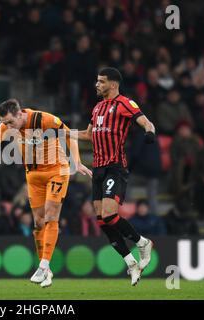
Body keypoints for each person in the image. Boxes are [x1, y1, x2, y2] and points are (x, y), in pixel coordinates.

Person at [0, 98, 91, 288]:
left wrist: (76, 162)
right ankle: (47, 270)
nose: (8, 126)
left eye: (10, 121)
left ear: (20, 114)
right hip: (33, 176)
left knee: (52, 215)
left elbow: (70, 136)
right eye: (5, 123)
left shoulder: (46, 120)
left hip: (56, 171)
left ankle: (43, 266)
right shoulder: (7, 126)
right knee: (38, 222)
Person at [76, 67, 155, 286]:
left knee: (110, 215)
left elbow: (146, 122)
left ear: (113, 84)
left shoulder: (125, 103)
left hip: (115, 167)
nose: (97, 85)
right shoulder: (98, 107)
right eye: (97, 81)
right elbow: (87, 135)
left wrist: (149, 133)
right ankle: (130, 262)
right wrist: (60, 132)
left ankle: (142, 242)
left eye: (101, 81)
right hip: (98, 169)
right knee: (102, 220)